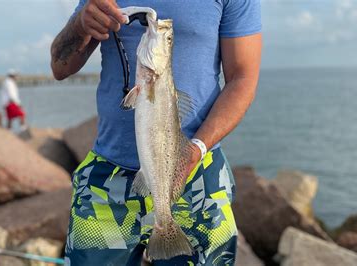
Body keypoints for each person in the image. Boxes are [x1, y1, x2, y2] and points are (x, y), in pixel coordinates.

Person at [51, 0, 261, 265]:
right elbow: (60, 67)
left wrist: (196, 148)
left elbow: (243, 79)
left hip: (197, 172)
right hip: (108, 177)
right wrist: (81, 24)